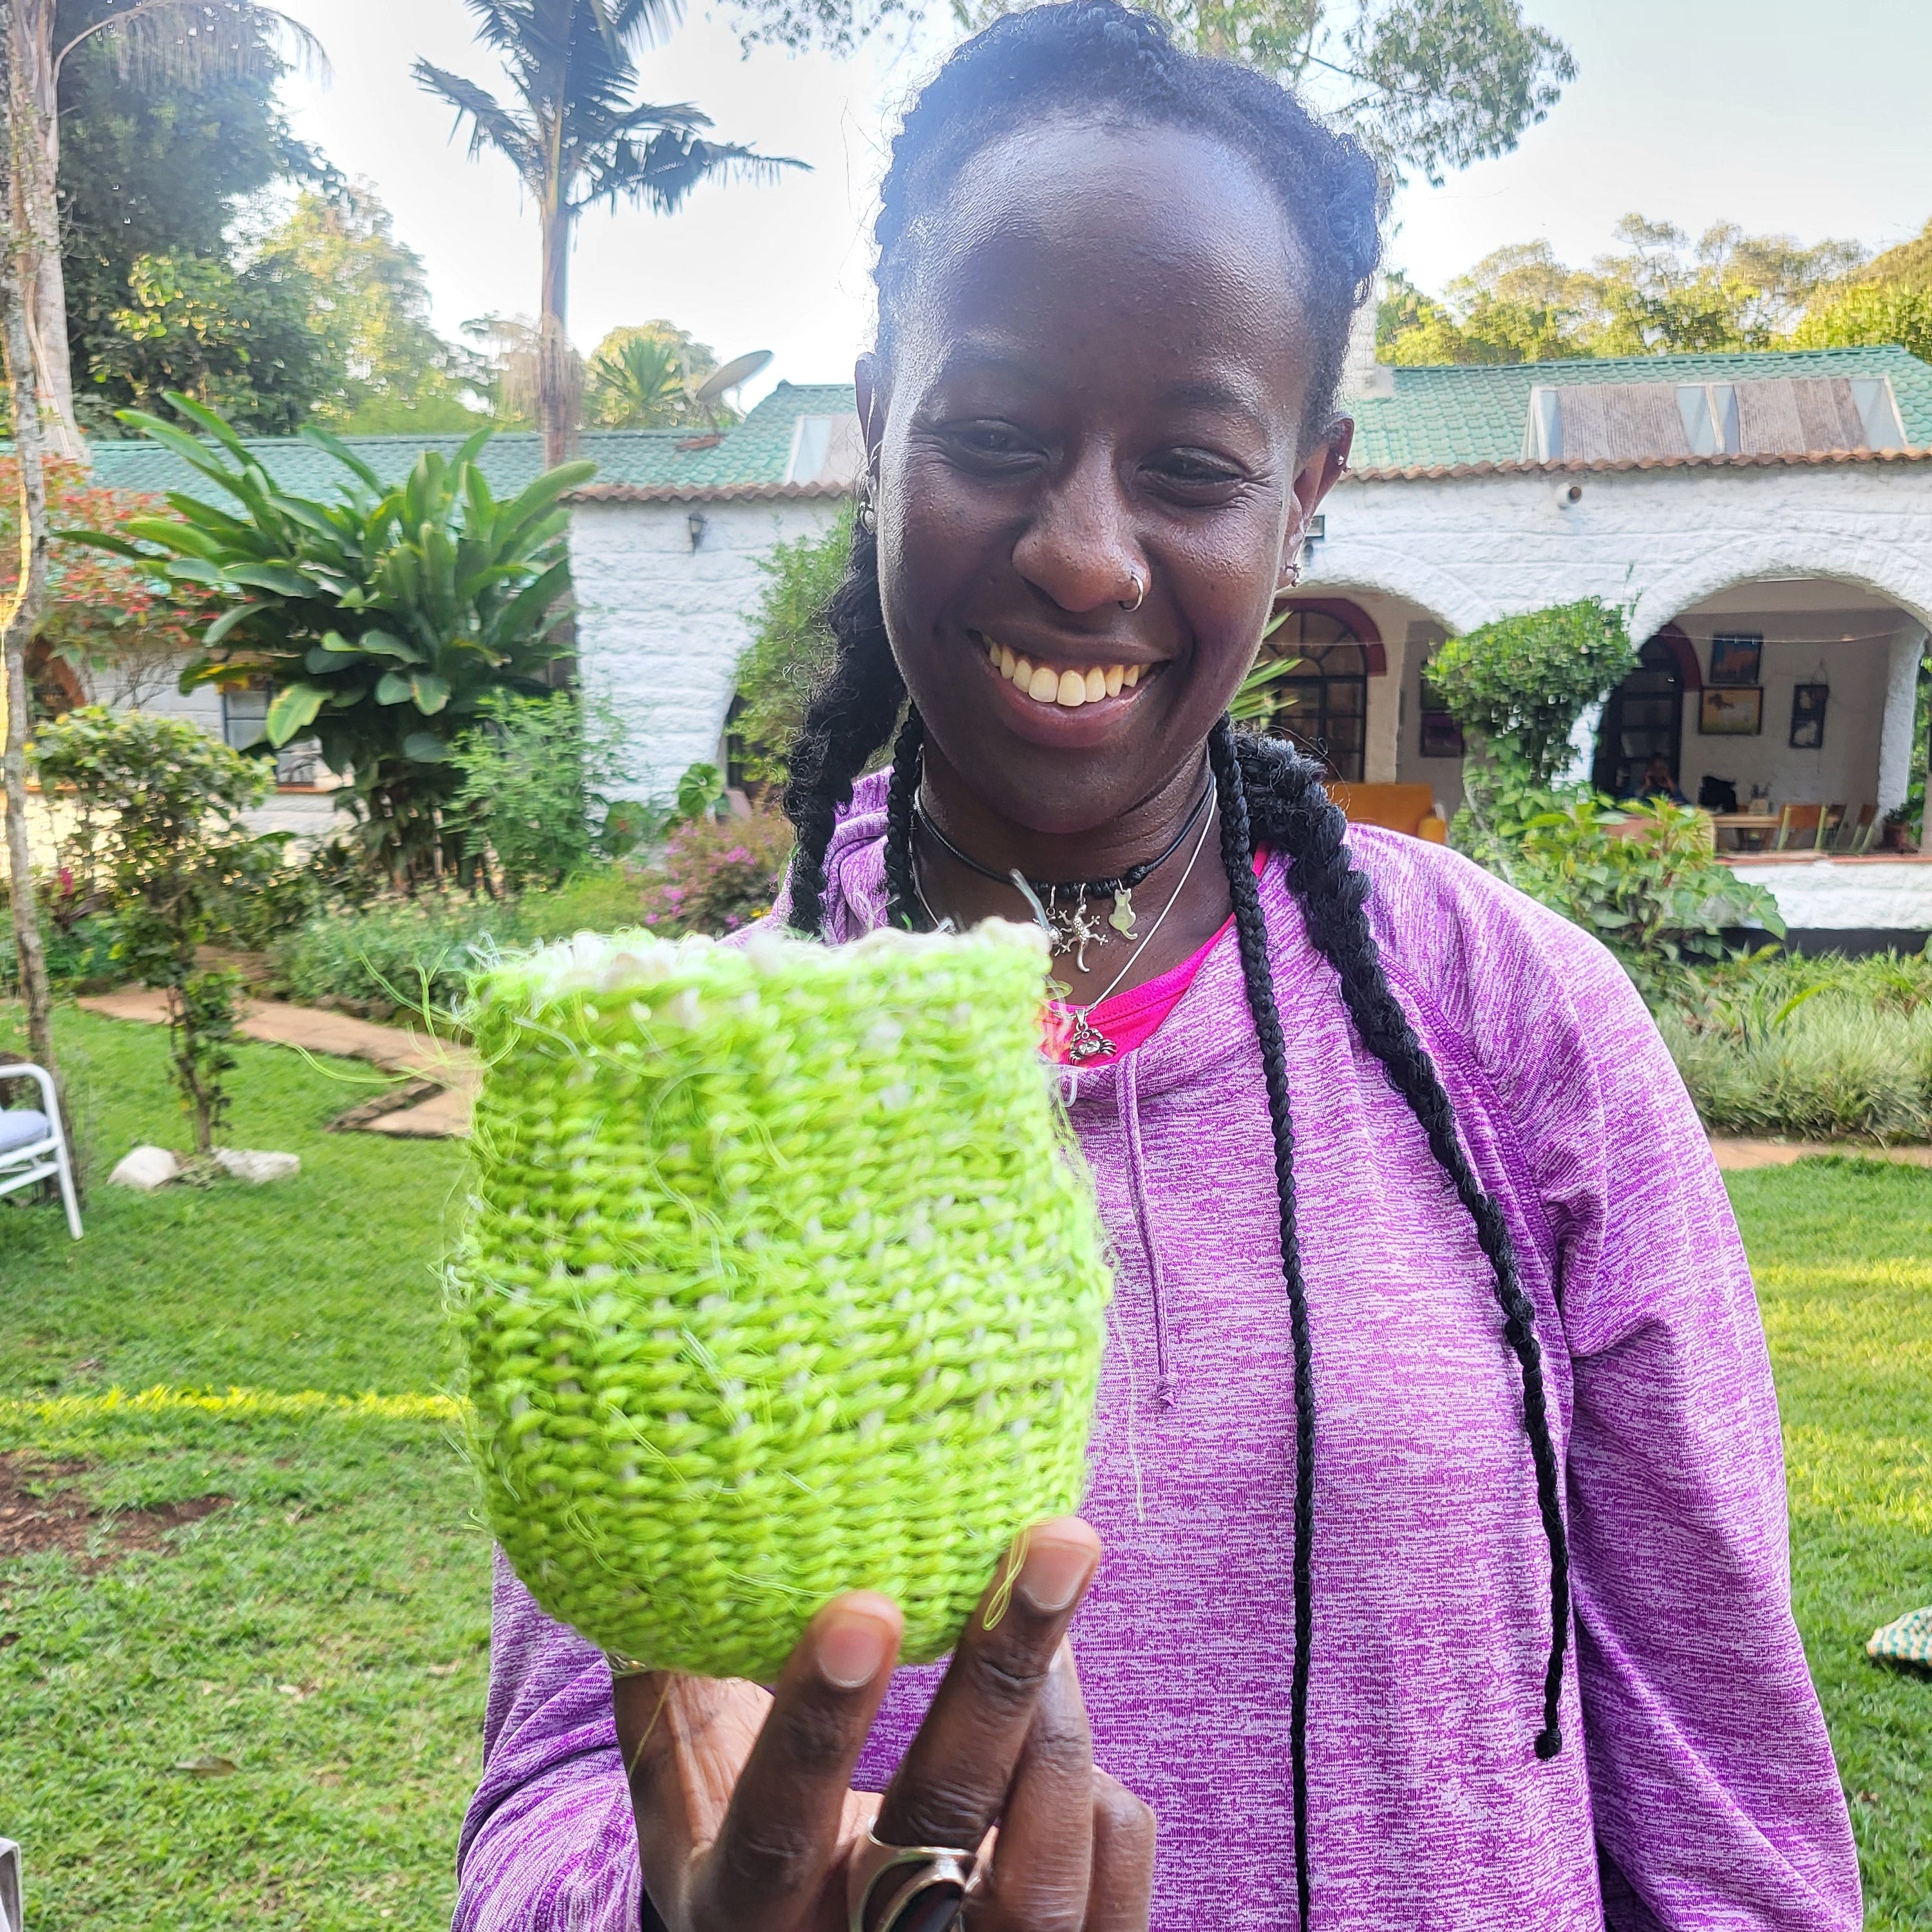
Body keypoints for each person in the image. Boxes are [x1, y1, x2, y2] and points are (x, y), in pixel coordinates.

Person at [453, 7, 1861, 1928]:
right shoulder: (686, 1069)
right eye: (994, 435)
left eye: (1193, 466)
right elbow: (560, 1788)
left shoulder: (1515, 1023)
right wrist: (662, 1907)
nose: (1087, 554)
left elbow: (1727, 1795)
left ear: (1307, 492)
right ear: (877, 429)